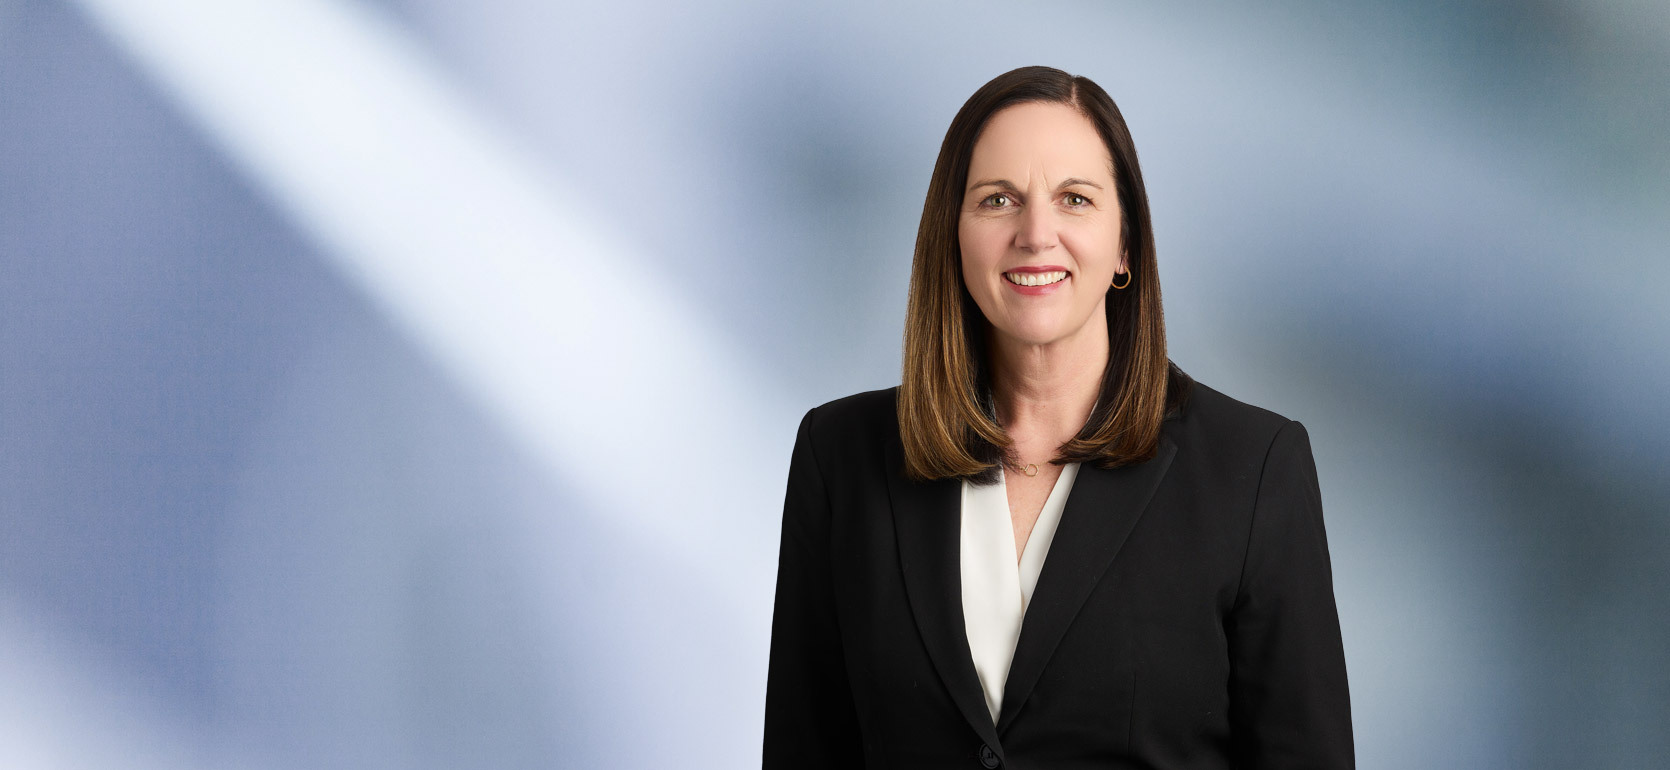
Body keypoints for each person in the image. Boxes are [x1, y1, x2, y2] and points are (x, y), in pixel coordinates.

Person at [763, 65, 1353, 769]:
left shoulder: (1253, 469)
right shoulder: (841, 459)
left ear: (1125, 245)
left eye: (1075, 199)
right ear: (952, 236)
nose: (1035, 233)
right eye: (998, 200)